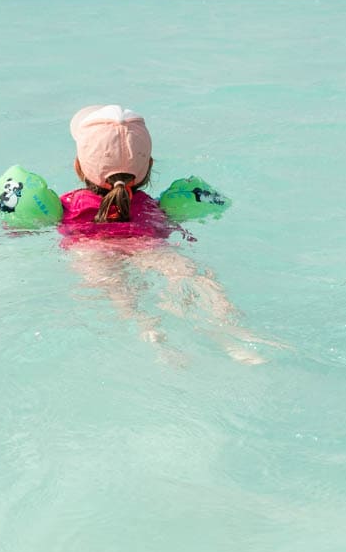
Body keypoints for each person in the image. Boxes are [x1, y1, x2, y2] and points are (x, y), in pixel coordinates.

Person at [59, 104, 283, 365]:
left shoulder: (67, 205)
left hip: (90, 248)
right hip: (148, 244)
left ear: (78, 167)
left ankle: (150, 330)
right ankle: (230, 332)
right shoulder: (155, 206)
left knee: (120, 294)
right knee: (196, 280)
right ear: (149, 166)